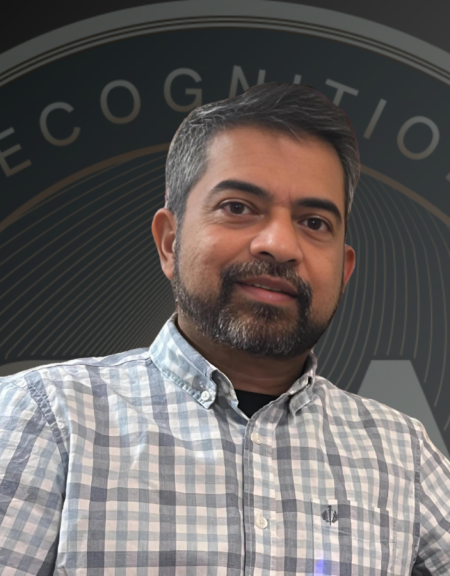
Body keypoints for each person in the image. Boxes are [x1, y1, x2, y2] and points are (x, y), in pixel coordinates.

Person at [0, 83, 449, 576]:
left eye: (314, 221)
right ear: (170, 241)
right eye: (238, 207)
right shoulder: (44, 418)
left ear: (343, 271)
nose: (279, 244)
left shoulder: (403, 454)